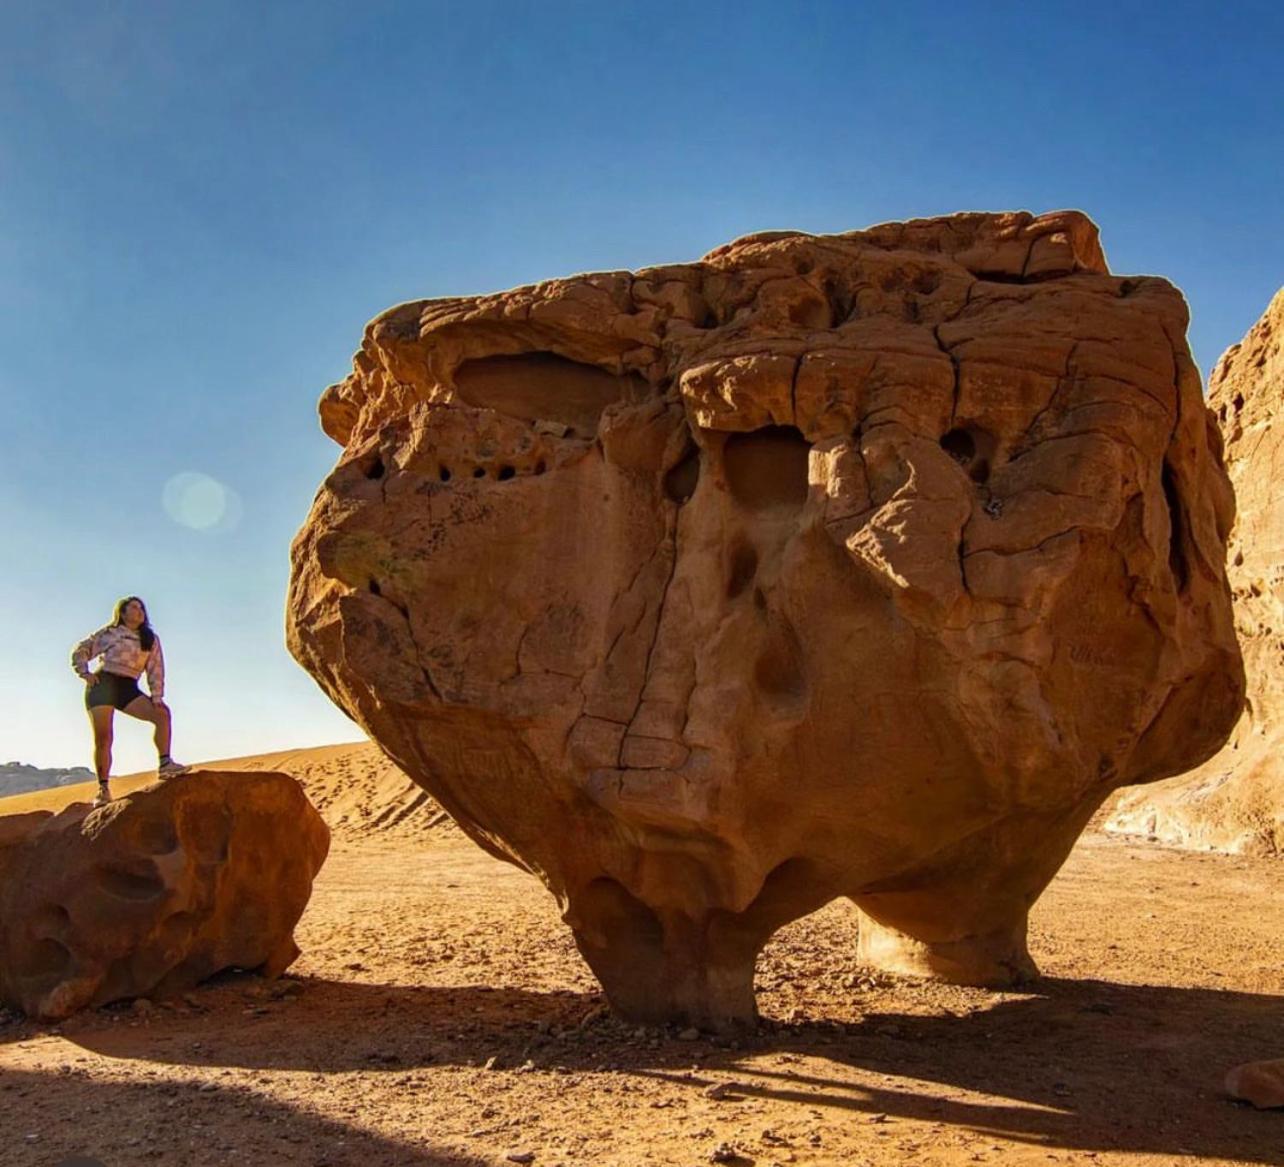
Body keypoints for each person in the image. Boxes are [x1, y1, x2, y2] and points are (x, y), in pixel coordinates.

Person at [71, 596, 186, 807]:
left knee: (162, 714)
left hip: (128, 687)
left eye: (142, 607)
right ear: (122, 613)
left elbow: (156, 669)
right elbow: (82, 649)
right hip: (103, 684)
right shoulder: (111, 633)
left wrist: (157, 696)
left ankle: (165, 763)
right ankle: (103, 789)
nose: (139, 611)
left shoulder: (150, 638)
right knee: (104, 737)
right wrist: (84, 672)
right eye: (133, 607)